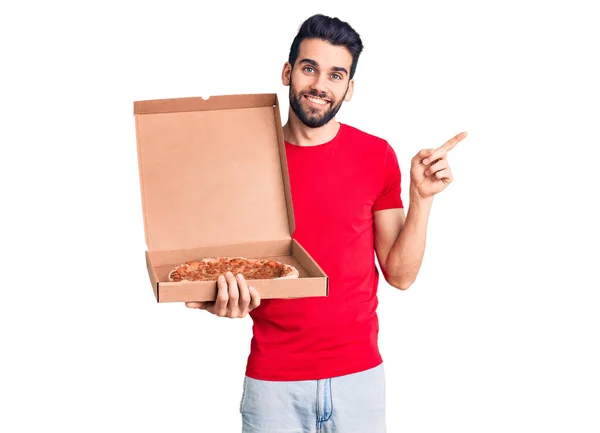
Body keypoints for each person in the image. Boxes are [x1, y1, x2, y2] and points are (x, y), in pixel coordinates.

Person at [185, 13, 467, 433]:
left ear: (349, 88)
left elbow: (401, 275)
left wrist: (421, 199)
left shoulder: (376, 157)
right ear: (287, 72)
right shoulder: (243, 161)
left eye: (336, 75)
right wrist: (220, 298)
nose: (320, 84)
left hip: (360, 383)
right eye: (309, 67)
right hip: (273, 386)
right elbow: (227, 265)